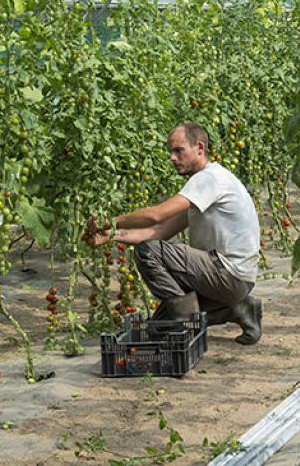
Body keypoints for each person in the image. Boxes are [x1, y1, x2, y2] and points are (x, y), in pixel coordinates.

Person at [92, 122, 263, 345]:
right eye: (170, 151)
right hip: (235, 278)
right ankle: (240, 309)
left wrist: (110, 221)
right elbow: (159, 232)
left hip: (228, 274)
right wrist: (113, 234)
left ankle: (186, 326)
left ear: (199, 148)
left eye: (178, 150)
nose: (172, 157)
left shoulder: (208, 179)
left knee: (148, 252)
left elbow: (157, 216)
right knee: (157, 328)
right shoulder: (208, 186)